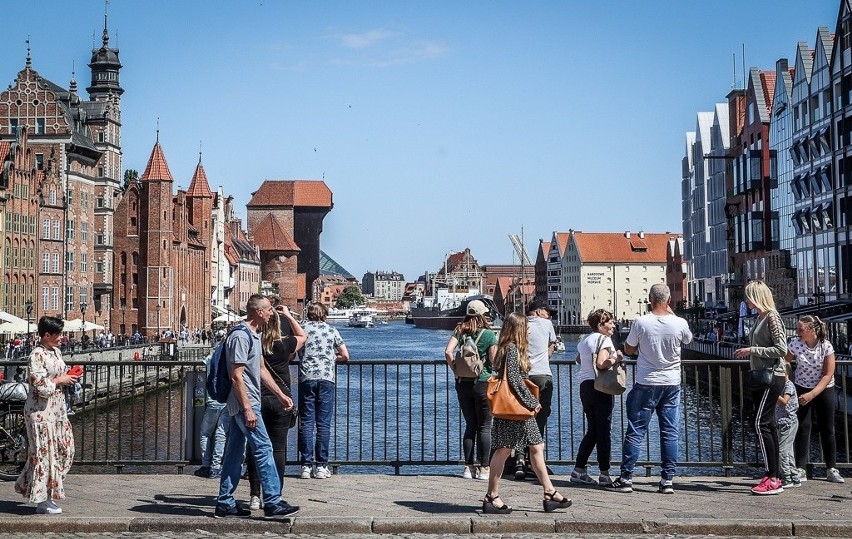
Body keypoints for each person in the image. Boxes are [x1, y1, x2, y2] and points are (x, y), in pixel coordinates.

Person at [216, 294, 299, 519]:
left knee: (234, 453)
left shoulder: (254, 335)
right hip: (246, 403)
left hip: (248, 402)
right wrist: (248, 409)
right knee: (263, 448)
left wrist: (280, 394)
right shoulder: (240, 337)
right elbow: (236, 376)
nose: (273, 313)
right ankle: (273, 500)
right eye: (269, 309)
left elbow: (261, 369)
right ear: (259, 312)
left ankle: (224, 502)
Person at [481, 313, 571, 514]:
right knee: (504, 450)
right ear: (517, 329)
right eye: (525, 327)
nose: (529, 329)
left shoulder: (506, 348)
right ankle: (491, 496)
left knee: (536, 447)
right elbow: (513, 379)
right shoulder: (512, 349)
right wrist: (532, 402)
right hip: (516, 409)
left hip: (516, 409)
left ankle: (549, 492)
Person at [607, 283, 692, 494]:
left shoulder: (641, 322)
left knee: (636, 431)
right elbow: (688, 340)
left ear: (649, 300)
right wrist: (671, 314)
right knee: (670, 432)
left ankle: (626, 478)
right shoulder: (679, 322)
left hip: (646, 381)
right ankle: (667, 481)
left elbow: (628, 349)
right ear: (669, 300)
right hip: (672, 383)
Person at [14, 316, 80, 515]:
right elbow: (39, 384)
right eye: (58, 334)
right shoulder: (36, 355)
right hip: (40, 411)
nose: (62, 337)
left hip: (57, 409)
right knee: (44, 454)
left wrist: (69, 376)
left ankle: (30, 485)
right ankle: (43, 500)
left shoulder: (56, 351)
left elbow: (54, 376)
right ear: (47, 335)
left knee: (66, 450)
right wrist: (61, 379)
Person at [247, 304, 307, 509]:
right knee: (278, 449)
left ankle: (255, 495)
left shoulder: (254, 343)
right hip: (281, 400)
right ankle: (275, 495)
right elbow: (303, 336)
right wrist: (289, 316)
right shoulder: (284, 344)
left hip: (257, 398)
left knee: (255, 448)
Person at [734, 280, 788, 495]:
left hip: (772, 376)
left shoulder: (772, 317)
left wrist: (752, 350)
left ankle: (773, 477)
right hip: (762, 376)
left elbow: (781, 349)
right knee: (768, 424)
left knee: (761, 423)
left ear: (756, 296)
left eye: (748, 296)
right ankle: (772, 473)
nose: (746, 301)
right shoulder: (760, 318)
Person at [786, 314, 844, 484]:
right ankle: (801, 467)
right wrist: (787, 379)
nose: (798, 332)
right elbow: (785, 362)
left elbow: (828, 374)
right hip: (802, 386)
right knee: (803, 427)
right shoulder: (795, 344)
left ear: (811, 330)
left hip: (824, 389)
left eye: (801, 329)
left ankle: (831, 468)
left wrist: (812, 394)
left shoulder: (826, 346)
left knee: (827, 428)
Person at [444, 299, 497, 480]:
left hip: (462, 383)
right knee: (485, 427)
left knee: (470, 426)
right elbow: (493, 359)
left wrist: (456, 370)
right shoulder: (489, 334)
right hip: (482, 382)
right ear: (483, 315)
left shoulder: (460, 330)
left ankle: (468, 468)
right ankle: (484, 468)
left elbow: (448, 352)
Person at [571, 308, 623, 487]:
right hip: (600, 387)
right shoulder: (605, 339)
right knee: (603, 431)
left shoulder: (585, 340)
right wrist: (617, 358)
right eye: (609, 322)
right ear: (601, 325)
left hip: (585, 386)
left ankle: (579, 469)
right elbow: (601, 364)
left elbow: (579, 359)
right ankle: (604, 473)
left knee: (593, 429)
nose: (613, 325)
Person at [298, 302, 349, 480]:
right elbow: (345, 355)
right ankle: (321, 466)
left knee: (306, 422)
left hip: (307, 377)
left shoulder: (301, 329)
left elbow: (291, 352)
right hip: (326, 378)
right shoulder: (331, 330)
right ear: (324, 315)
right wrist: (330, 357)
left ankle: (305, 466)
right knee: (323, 424)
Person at [522, 299, 557, 478]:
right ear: (537, 311)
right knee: (540, 418)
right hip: (543, 375)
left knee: (522, 416)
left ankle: (520, 460)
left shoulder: (520, 324)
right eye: (547, 311)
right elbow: (551, 347)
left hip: (524, 375)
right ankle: (535, 461)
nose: (549, 315)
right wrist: (545, 355)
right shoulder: (547, 324)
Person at [195, 351, 230, 479]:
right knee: (221, 434)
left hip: (212, 399)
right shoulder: (230, 356)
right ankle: (216, 467)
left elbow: (204, 364)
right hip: (227, 400)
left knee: (205, 433)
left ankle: (206, 465)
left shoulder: (211, 357)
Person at [776, 363, 799, 489]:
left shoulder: (788, 386)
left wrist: (773, 393)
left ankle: (786, 477)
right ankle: (794, 476)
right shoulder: (783, 386)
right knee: (788, 450)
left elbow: (784, 401)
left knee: (782, 450)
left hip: (788, 422)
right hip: (785, 422)